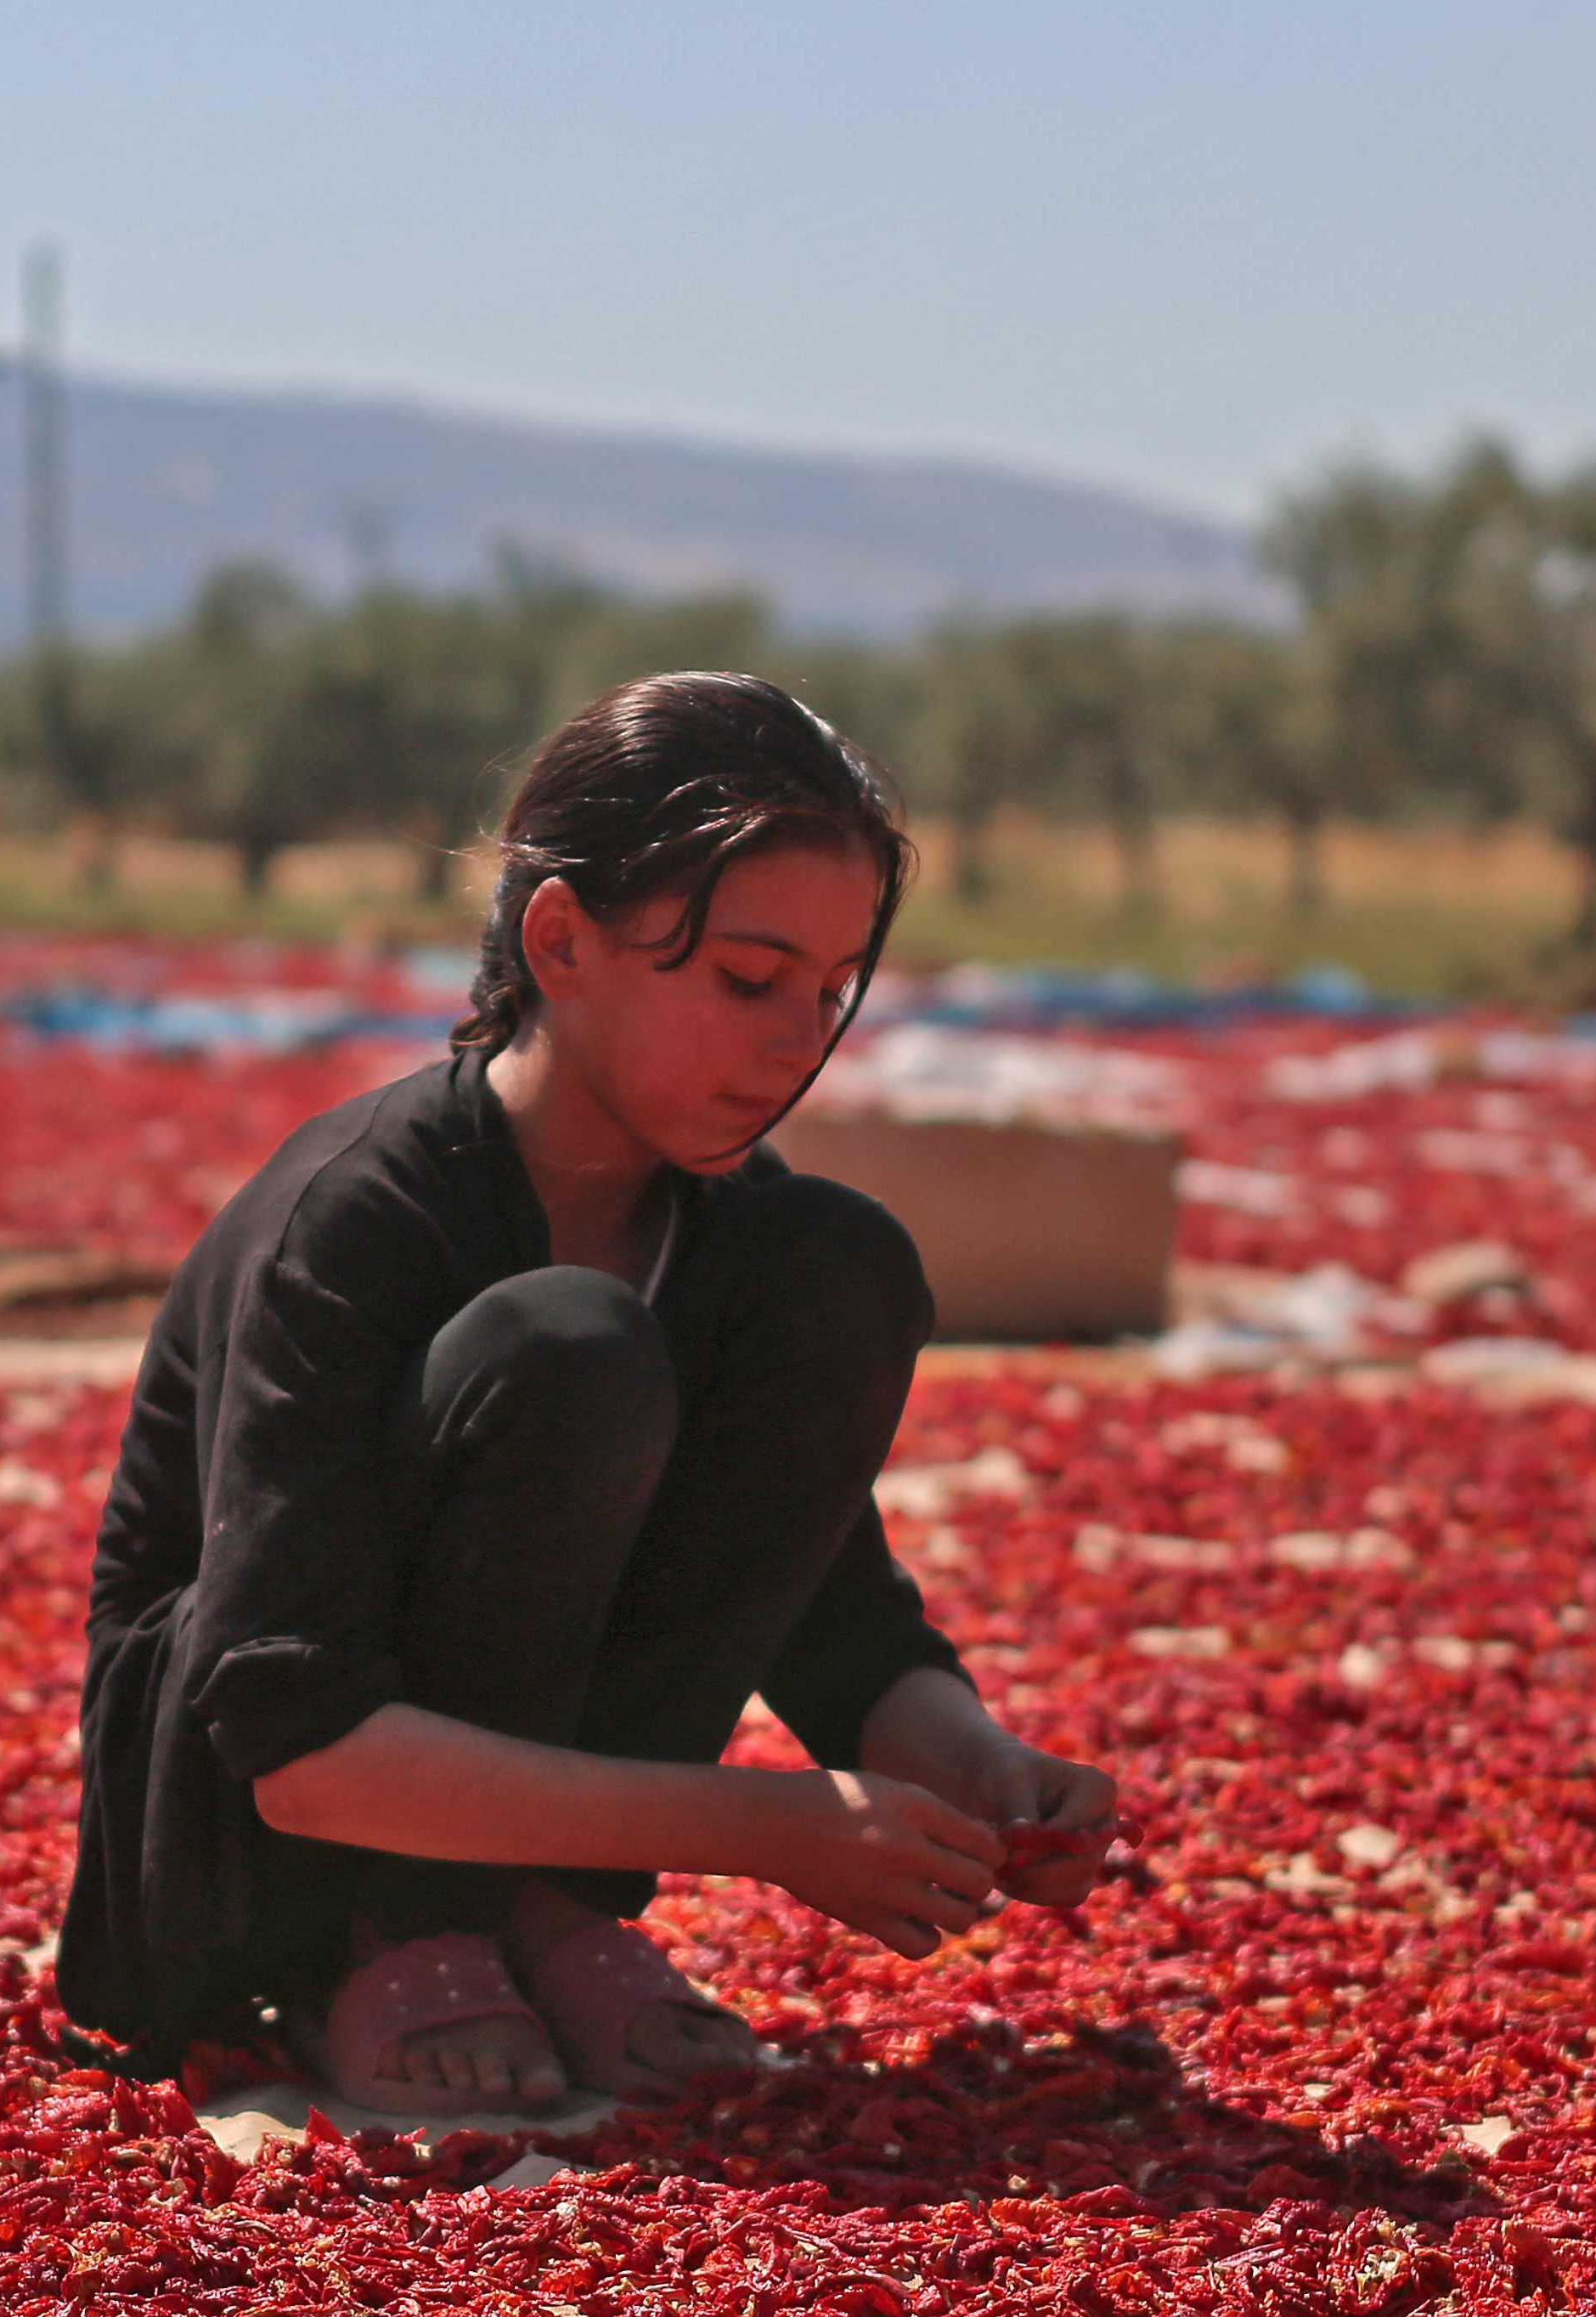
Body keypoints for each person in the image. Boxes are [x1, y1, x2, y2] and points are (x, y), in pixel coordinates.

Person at [59, 671, 1121, 2111]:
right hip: (243, 1838)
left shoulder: (745, 1231)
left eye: (830, 989)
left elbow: (827, 1609)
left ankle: (542, 1911)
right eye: (748, 980)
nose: (797, 1039)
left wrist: (986, 1776)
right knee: (567, 1347)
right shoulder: (358, 1218)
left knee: (844, 1264)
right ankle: (395, 1932)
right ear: (558, 938)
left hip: (448, 1791)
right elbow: (296, 1745)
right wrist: (763, 1825)